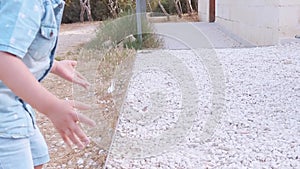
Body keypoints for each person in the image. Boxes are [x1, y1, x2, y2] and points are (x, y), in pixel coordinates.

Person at [0, 0, 96, 168]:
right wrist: (52, 107)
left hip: (16, 105)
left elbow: (18, 49)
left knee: (38, 158)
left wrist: (55, 65)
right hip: (4, 113)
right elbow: (4, 58)